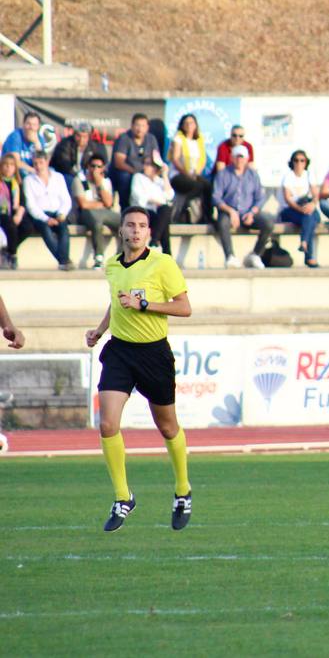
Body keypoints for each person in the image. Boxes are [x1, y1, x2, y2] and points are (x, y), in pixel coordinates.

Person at [84, 205, 193, 532]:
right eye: (129, 225)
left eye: (141, 226)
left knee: (168, 427)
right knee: (107, 424)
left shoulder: (163, 264)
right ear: (121, 231)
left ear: (149, 233)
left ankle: (183, 490)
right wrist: (101, 329)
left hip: (153, 353)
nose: (135, 230)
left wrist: (145, 304)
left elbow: (184, 307)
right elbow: (117, 302)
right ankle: (122, 496)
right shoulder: (112, 265)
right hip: (120, 350)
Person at [212, 144, 274, 269]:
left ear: (246, 159)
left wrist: (252, 212)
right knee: (223, 222)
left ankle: (255, 254)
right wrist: (231, 211)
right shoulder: (223, 174)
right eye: (237, 157)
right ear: (232, 158)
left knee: (268, 224)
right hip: (229, 211)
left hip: (248, 212)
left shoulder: (253, 175)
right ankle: (230, 256)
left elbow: (260, 198)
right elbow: (216, 197)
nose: (240, 160)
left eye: (242, 157)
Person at [21, 151, 74, 270]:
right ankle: (63, 260)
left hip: (57, 212)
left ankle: (63, 260)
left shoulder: (58, 177)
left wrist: (62, 213)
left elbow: (66, 199)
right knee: (46, 230)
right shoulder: (28, 180)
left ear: (47, 162)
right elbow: (31, 205)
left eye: (41, 163)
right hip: (40, 215)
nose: (38, 166)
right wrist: (46, 219)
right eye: (35, 163)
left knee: (63, 229)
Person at [73, 155, 120, 268]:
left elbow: (108, 203)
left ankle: (122, 257)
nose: (95, 169)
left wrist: (99, 184)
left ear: (103, 168)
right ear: (88, 167)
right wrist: (101, 204)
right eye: (92, 166)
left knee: (125, 223)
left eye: (99, 167)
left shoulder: (105, 181)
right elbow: (83, 204)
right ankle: (98, 257)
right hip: (86, 213)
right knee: (96, 222)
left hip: (105, 212)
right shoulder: (79, 180)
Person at [278, 149, 322, 268]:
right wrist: (300, 209)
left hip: (307, 209)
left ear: (306, 162)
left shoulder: (309, 175)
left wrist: (312, 204)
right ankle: (310, 257)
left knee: (310, 217)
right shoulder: (288, 176)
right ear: (292, 162)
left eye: (302, 161)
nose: (299, 163)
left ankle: (304, 243)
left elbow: (315, 194)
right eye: (296, 160)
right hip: (291, 210)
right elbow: (288, 199)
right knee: (309, 218)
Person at [168, 114, 213, 224]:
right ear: (182, 126)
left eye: (191, 123)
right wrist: (186, 173)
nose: (189, 125)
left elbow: (202, 160)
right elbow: (175, 159)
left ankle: (206, 217)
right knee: (197, 186)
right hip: (178, 174)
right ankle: (180, 211)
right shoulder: (178, 139)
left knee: (208, 186)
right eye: (186, 123)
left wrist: (196, 173)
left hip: (194, 174)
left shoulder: (199, 140)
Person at [110, 113, 162, 210]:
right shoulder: (124, 138)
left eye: (143, 126)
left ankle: (154, 207)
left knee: (159, 177)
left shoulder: (151, 139)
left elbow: (156, 159)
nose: (140, 129)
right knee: (124, 176)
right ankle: (125, 208)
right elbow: (119, 162)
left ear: (147, 127)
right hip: (127, 170)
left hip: (145, 172)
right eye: (137, 125)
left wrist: (154, 172)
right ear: (132, 126)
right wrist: (135, 172)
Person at [130, 156, 175, 257]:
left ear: (155, 168)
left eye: (148, 165)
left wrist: (165, 175)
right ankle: (167, 252)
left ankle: (154, 240)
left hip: (157, 213)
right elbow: (138, 196)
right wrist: (155, 200)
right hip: (142, 211)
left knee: (165, 211)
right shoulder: (138, 177)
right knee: (164, 219)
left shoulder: (159, 181)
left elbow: (169, 196)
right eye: (145, 164)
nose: (145, 167)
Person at [0, 152, 25, 269]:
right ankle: (13, 255)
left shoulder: (17, 183)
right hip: (2, 212)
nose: (8, 167)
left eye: (11, 165)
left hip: (15, 211)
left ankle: (7, 249)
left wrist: (19, 214)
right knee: (11, 225)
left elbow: (22, 203)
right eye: (5, 164)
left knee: (28, 226)